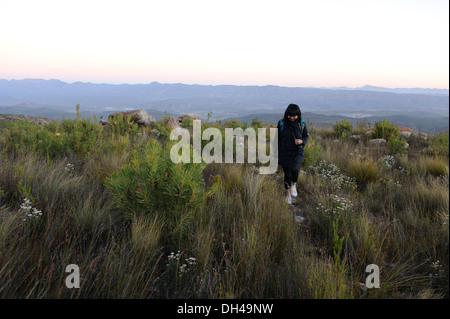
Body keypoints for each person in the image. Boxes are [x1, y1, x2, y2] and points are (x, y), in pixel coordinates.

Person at [277, 104, 309, 204]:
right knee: (287, 173)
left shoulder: (302, 124)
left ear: (298, 115)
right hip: (284, 152)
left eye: (294, 116)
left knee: (295, 169)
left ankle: (294, 184)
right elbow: (276, 138)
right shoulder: (281, 123)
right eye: (290, 115)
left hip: (297, 151)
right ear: (286, 114)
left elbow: (306, 136)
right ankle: (288, 194)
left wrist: (302, 141)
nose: (292, 118)